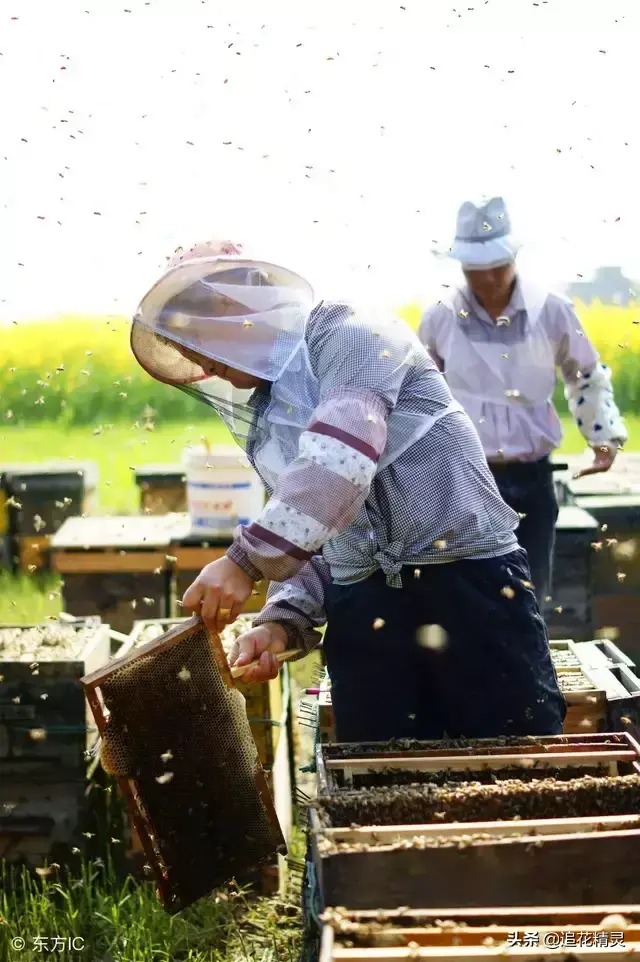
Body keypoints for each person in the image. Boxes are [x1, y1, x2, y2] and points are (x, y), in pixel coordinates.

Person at [127, 238, 565, 743]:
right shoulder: (269, 417)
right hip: (366, 612)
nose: (199, 364)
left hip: (467, 584)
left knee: (517, 768)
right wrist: (281, 622)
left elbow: (342, 457)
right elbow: (324, 534)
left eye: (195, 339)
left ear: (232, 306)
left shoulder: (349, 333)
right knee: (378, 786)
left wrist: (244, 562)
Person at [419, 196, 628, 607]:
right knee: (470, 596)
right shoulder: (440, 317)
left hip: (532, 477)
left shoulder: (552, 310)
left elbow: (585, 374)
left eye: (496, 267)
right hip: (465, 478)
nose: (488, 279)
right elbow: (419, 395)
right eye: (477, 270)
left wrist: (602, 437)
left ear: (512, 258)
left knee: (531, 596)